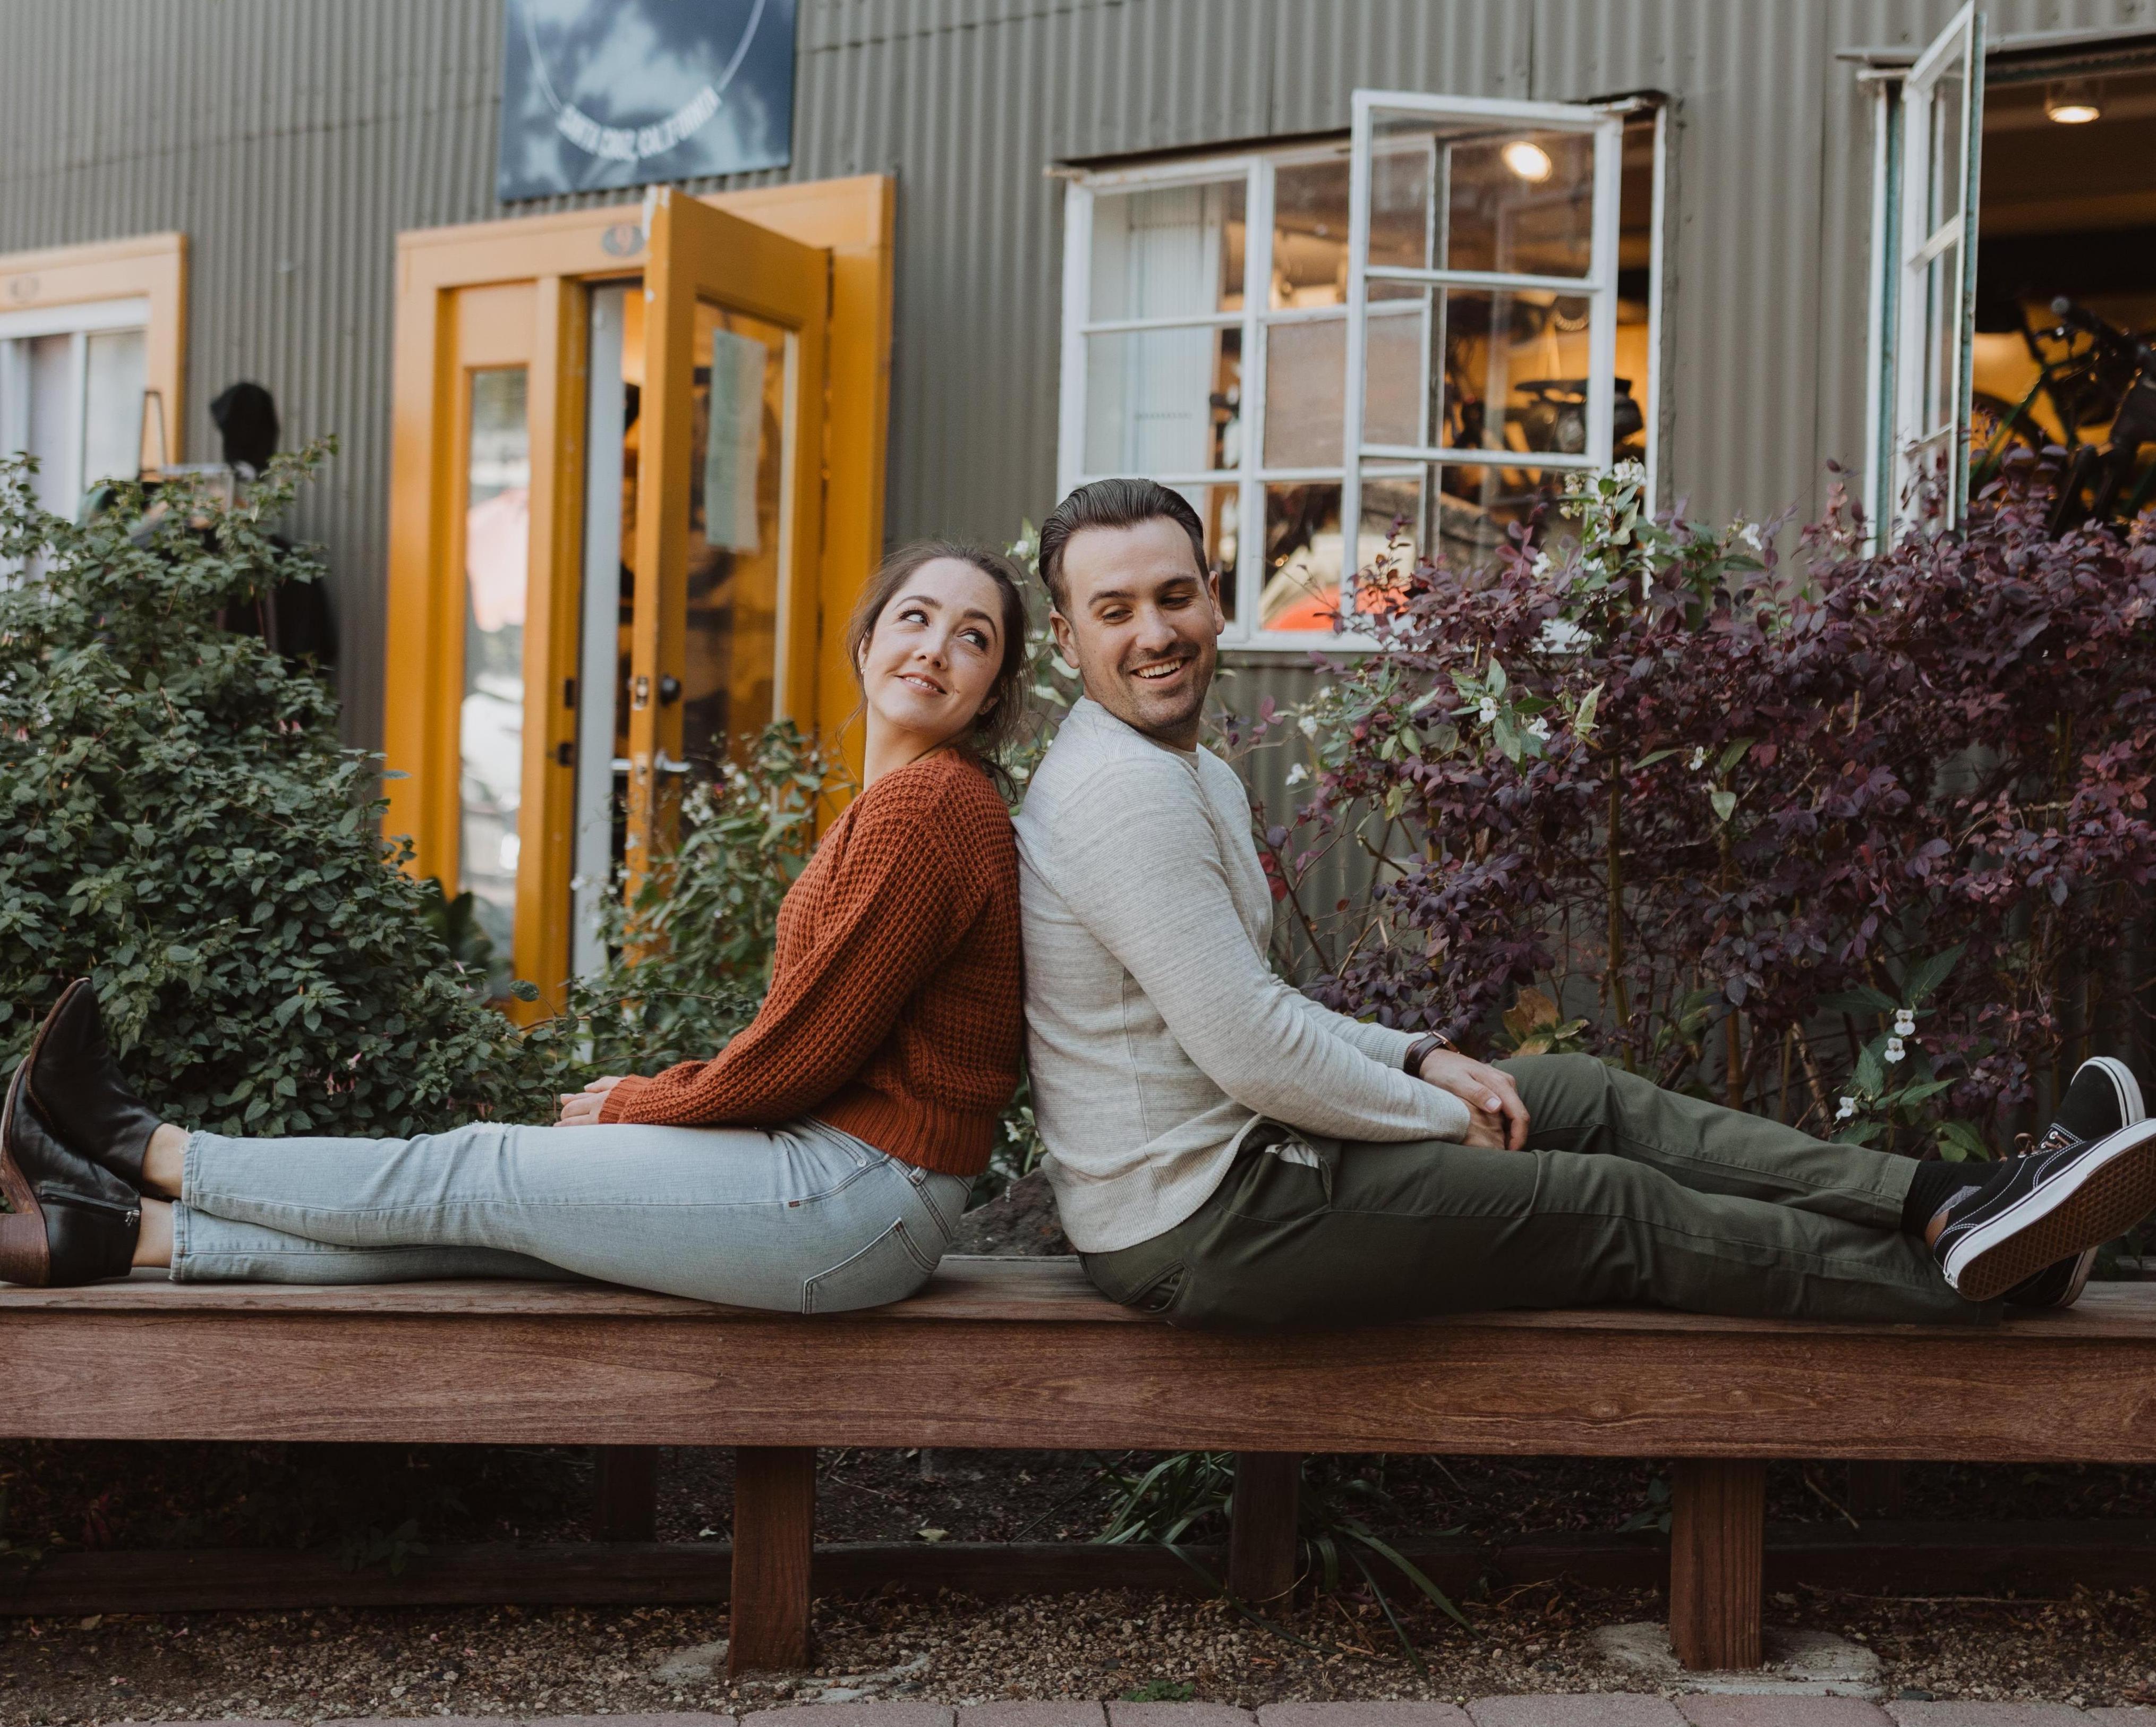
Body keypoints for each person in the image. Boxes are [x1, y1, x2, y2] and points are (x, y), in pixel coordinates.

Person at [1015, 478, 2156, 1331]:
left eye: (1173, 596)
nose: (1151, 632)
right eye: (1112, 611)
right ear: (1067, 638)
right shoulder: (1119, 795)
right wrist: (1435, 1115)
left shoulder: (1182, 766)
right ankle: (1969, 1283)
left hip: (1258, 1158)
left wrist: (1417, 1057)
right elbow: (1249, 1050)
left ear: (1214, 600)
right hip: (1201, 1221)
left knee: (1579, 1093)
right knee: (1603, 1203)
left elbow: (1252, 1001)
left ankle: (1961, 1202)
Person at [2, 542, 1029, 1309]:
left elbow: (807, 1051)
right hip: (854, 1192)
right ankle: (112, 1233)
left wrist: (641, 1103)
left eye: (972, 638)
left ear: (991, 694)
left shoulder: (931, 806)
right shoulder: (899, 802)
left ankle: (148, 1145)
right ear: (867, 639)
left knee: (478, 1171)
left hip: (860, 1195)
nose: (936, 648)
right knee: (491, 1228)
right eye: (916, 618)